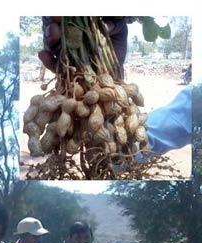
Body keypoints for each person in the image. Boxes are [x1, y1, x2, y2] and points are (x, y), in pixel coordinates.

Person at [39, 17, 192, 153]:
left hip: (109, 90)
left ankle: (113, 155)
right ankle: (115, 155)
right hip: (104, 85)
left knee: (113, 113)